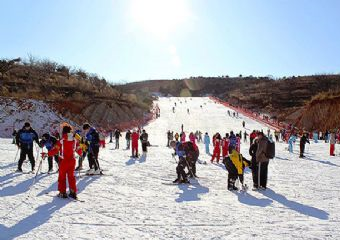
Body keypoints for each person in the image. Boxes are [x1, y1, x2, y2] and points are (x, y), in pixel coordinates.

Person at [43, 125, 82, 199]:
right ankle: (73, 192)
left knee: (62, 177)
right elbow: (78, 149)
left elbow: (55, 150)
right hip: (72, 161)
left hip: (64, 161)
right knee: (71, 177)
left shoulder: (62, 140)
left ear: (63, 131)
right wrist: (81, 153)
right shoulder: (75, 139)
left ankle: (62, 192)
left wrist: (47, 154)